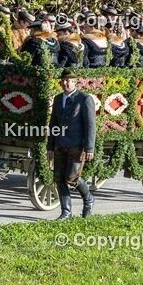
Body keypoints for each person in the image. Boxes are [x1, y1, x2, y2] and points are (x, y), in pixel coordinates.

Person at [47, 69, 95, 219]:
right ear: (60, 82)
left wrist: (89, 147)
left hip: (77, 145)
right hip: (60, 144)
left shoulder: (84, 99)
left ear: (75, 82)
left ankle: (88, 198)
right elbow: (53, 123)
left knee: (71, 177)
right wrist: (50, 146)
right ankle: (66, 213)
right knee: (59, 178)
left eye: (70, 81)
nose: (66, 83)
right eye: (64, 80)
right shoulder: (57, 99)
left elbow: (90, 125)